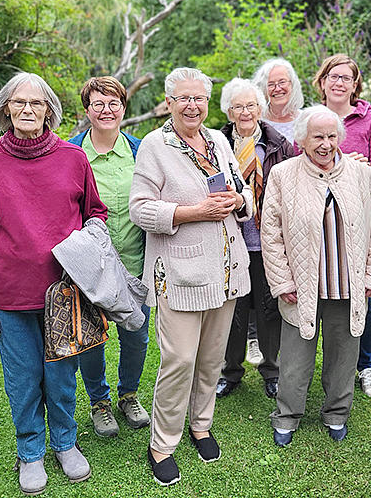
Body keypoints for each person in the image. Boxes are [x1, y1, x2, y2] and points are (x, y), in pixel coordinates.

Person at [0, 72, 107, 495]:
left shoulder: (73, 158)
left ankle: (65, 443)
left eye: (36, 103)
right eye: (19, 102)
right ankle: (30, 450)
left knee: (62, 376)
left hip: (64, 294)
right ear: (6, 109)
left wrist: (83, 247)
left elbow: (95, 213)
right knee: (24, 378)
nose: (28, 110)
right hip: (12, 295)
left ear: (49, 109)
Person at [129, 67, 252, 486]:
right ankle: (162, 443)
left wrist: (239, 199)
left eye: (199, 98)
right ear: (168, 102)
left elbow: (244, 190)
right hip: (180, 273)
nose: (192, 105)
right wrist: (193, 212)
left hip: (226, 269)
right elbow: (140, 209)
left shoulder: (218, 140)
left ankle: (201, 424)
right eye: (183, 98)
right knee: (179, 359)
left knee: (212, 357)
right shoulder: (154, 145)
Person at [260, 105, 371, 447]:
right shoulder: (284, 175)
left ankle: (336, 413)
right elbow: (270, 232)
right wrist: (283, 280)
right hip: (301, 287)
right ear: (301, 139)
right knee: (294, 361)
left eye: (332, 136)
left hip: (349, 286)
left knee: (344, 357)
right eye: (318, 136)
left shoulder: (362, 175)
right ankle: (287, 415)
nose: (326, 143)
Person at [69, 76, 151, 438]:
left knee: (137, 336)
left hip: (136, 263)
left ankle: (128, 395)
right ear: (87, 110)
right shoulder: (70, 154)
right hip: (92, 269)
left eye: (114, 103)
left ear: (123, 108)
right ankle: (99, 402)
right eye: (98, 104)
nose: (106, 110)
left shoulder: (141, 150)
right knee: (93, 338)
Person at [311, 54, 371, 399]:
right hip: (316, 221)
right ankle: (324, 364)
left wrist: (357, 170)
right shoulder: (313, 118)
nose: (340, 82)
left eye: (347, 77)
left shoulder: (370, 120)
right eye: (333, 76)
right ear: (323, 82)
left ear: (355, 84)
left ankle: (366, 366)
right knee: (321, 294)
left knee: (365, 296)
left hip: (356, 222)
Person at [215, 78, 294, 400]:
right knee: (232, 311)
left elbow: (291, 191)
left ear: (260, 109)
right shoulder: (215, 144)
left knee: (268, 309)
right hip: (229, 240)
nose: (245, 112)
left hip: (268, 241)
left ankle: (272, 370)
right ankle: (230, 371)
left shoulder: (278, 145)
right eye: (238, 106)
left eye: (250, 105)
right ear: (228, 111)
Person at [252, 58, 304, 144]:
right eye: (271, 84)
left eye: (282, 82)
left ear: (293, 84)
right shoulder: (254, 124)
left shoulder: (306, 120)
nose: (277, 88)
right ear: (262, 89)